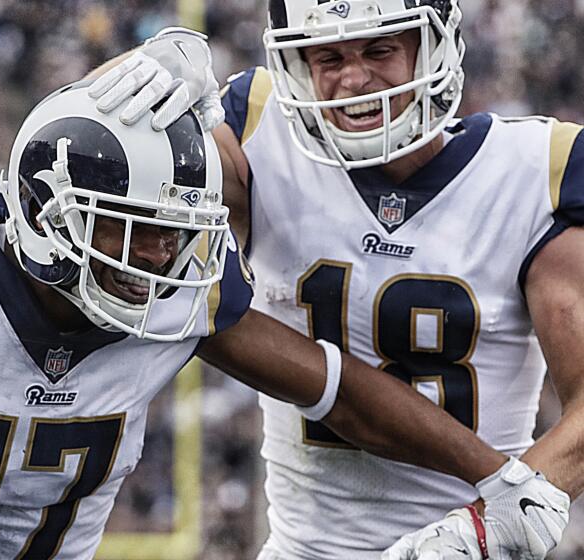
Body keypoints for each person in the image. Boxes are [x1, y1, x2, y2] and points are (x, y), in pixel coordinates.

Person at [0, 81, 539, 560]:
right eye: (134, 226)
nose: (160, 254)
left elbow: (339, 389)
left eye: (176, 229)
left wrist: (499, 476)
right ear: (49, 215)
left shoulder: (177, 299)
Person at [86, 1, 583, 558]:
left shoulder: (538, 172)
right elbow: (106, 171)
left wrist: (491, 522)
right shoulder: (256, 129)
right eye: (328, 56)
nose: (353, 78)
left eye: (379, 50)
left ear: (434, 45)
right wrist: (143, 73)